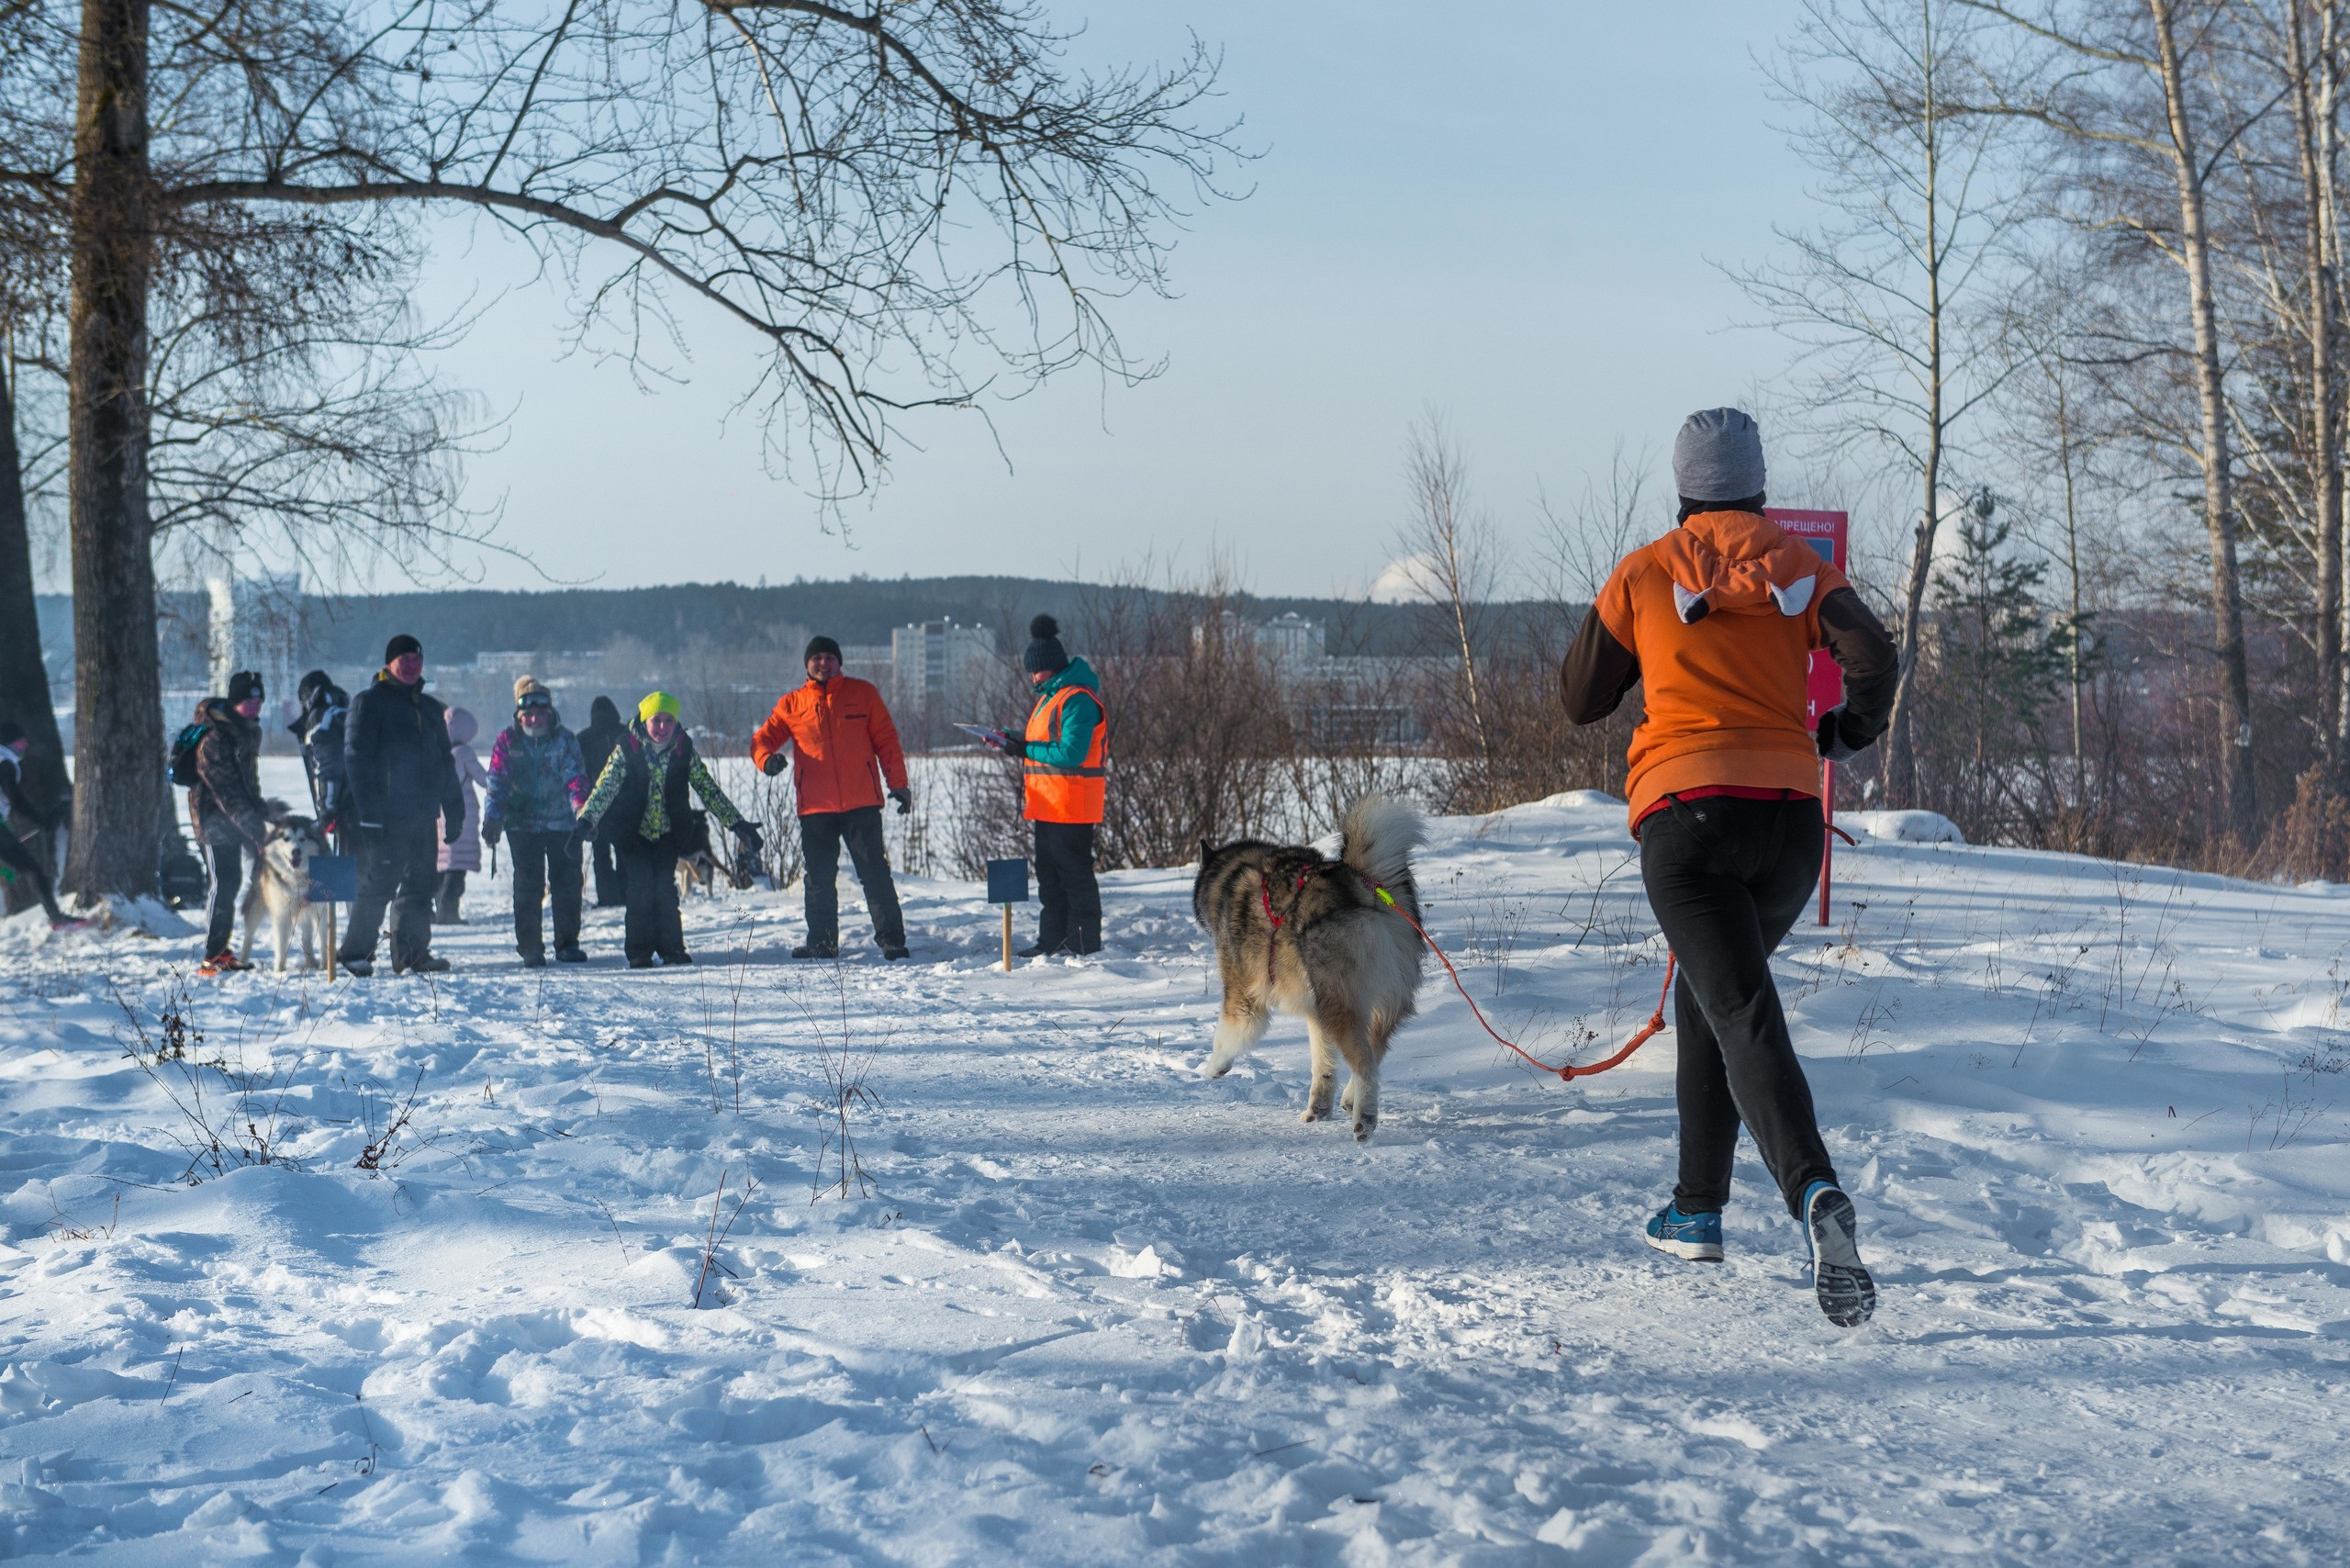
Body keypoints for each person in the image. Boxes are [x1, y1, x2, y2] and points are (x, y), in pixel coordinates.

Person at [1561, 406, 1898, 1328]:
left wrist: (1650, 647)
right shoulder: (1798, 566)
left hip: (1688, 822)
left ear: (1682, 488)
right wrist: (1848, 730)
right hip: (1789, 826)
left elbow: (1577, 697)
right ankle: (1695, 1210)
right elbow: (1874, 654)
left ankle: (1814, 1192)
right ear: (1757, 486)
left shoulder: (1645, 570)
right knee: (1713, 997)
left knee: (1737, 1006)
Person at [749, 635, 912, 960]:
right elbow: (761, 740)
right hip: (815, 807)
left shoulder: (863, 694)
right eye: (816, 658)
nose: (823, 664)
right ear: (807, 664)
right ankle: (822, 944)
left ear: (839, 662)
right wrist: (767, 760)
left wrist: (899, 784)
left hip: (861, 803)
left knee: (874, 874)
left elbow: (887, 742)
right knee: (819, 880)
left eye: (829, 658)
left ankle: (892, 941)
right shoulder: (792, 704)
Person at [579, 691, 759, 968]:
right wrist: (586, 819)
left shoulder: (682, 748)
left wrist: (737, 823)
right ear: (644, 720)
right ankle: (639, 952)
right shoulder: (627, 747)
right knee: (639, 891)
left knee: (664, 890)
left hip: (668, 832)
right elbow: (606, 786)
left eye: (669, 721)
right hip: (632, 833)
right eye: (656, 720)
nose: (662, 727)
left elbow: (708, 789)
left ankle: (672, 948)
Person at [338, 634, 464, 977]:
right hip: (385, 815)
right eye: (404, 660)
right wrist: (369, 815)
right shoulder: (369, 703)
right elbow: (356, 762)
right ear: (389, 664)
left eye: (416, 660)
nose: (411, 666)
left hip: (423, 813)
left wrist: (455, 808)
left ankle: (411, 954)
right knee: (380, 883)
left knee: (421, 884)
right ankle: (355, 953)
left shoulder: (430, 708)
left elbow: (444, 762)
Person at [986, 615, 1105, 957]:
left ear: (1048, 666)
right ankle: (1052, 941)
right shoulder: (1053, 698)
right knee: (1050, 879)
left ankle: (1083, 944)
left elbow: (1071, 752)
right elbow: (1044, 743)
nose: (1032, 677)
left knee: (1074, 878)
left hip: (1072, 805)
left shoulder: (1077, 699)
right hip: (1050, 804)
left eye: (1035, 670)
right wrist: (1011, 739)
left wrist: (1023, 748)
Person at [481, 678, 590, 968]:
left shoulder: (565, 739)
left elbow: (575, 778)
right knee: (527, 885)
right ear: (519, 716)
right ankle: (530, 946)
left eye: (540, 713)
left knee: (566, 884)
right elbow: (497, 782)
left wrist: (582, 813)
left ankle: (567, 943)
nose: (534, 719)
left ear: (549, 713)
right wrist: (493, 816)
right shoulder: (507, 741)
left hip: (561, 823)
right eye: (527, 714)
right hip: (522, 823)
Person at [185, 672, 271, 974]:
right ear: (235, 703)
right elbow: (225, 792)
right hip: (211, 820)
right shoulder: (214, 737)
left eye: (258, 701)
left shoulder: (248, 732)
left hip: (237, 819)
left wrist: (262, 814)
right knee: (223, 882)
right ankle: (212, 952)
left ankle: (221, 949)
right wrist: (254, 828)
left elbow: (249, 783)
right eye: (248, 701)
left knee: (234, 881)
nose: (254, 707)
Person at [0, 721, 79, 929]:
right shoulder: (5, 762)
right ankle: (57, 918)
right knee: (32, 869)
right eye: (19, 743)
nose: (24, 746)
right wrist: (40, 819)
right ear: (8, 743)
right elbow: (15, 799)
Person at [433, 707, 490, 924]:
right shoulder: (465, 753)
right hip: (463, 816)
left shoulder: (440, 752)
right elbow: (485, 780)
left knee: (444, 863)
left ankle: (440, 906)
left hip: (441, 816)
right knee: (457, 868)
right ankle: (448, 912)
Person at [289, 670, 350, 847]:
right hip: (362, 804)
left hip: (346, 807)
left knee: (350, 869)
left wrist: (327, 809)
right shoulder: (346, 712)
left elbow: (329, 764)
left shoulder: (321, 717)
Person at [578, 695, 629, 907]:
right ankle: (626, 894)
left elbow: (579, 772)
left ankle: (607, 897)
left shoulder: (584, 738)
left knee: (601, 855)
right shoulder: (626, 733)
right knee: (625, 852)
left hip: (598, 805)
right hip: (627, 804)